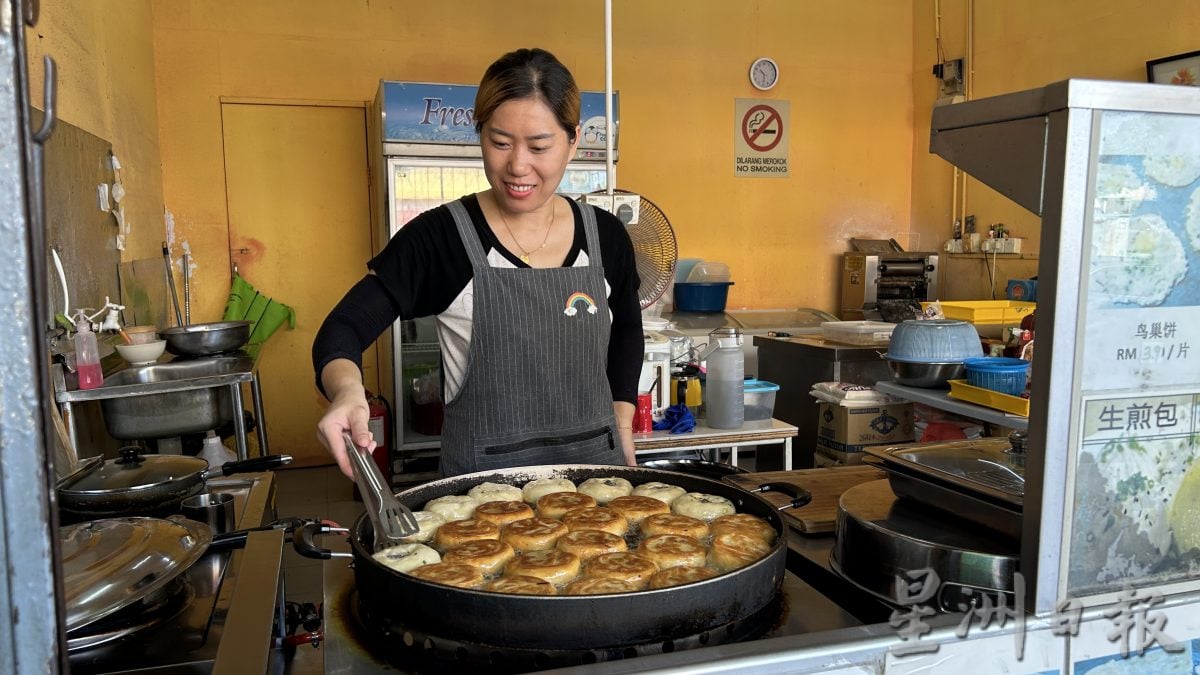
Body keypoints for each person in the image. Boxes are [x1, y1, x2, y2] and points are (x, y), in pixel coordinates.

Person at [312, 48, 643, 478]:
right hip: (480, 501)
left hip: (597, 479)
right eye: (499, 142)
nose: (517, 166)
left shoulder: (605, 236)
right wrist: (347, 392)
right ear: (479, 133)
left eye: (539, 146)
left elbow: (628, 328)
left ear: (574, 140)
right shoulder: (441, 238)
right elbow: (343, 328)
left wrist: (622, 423)